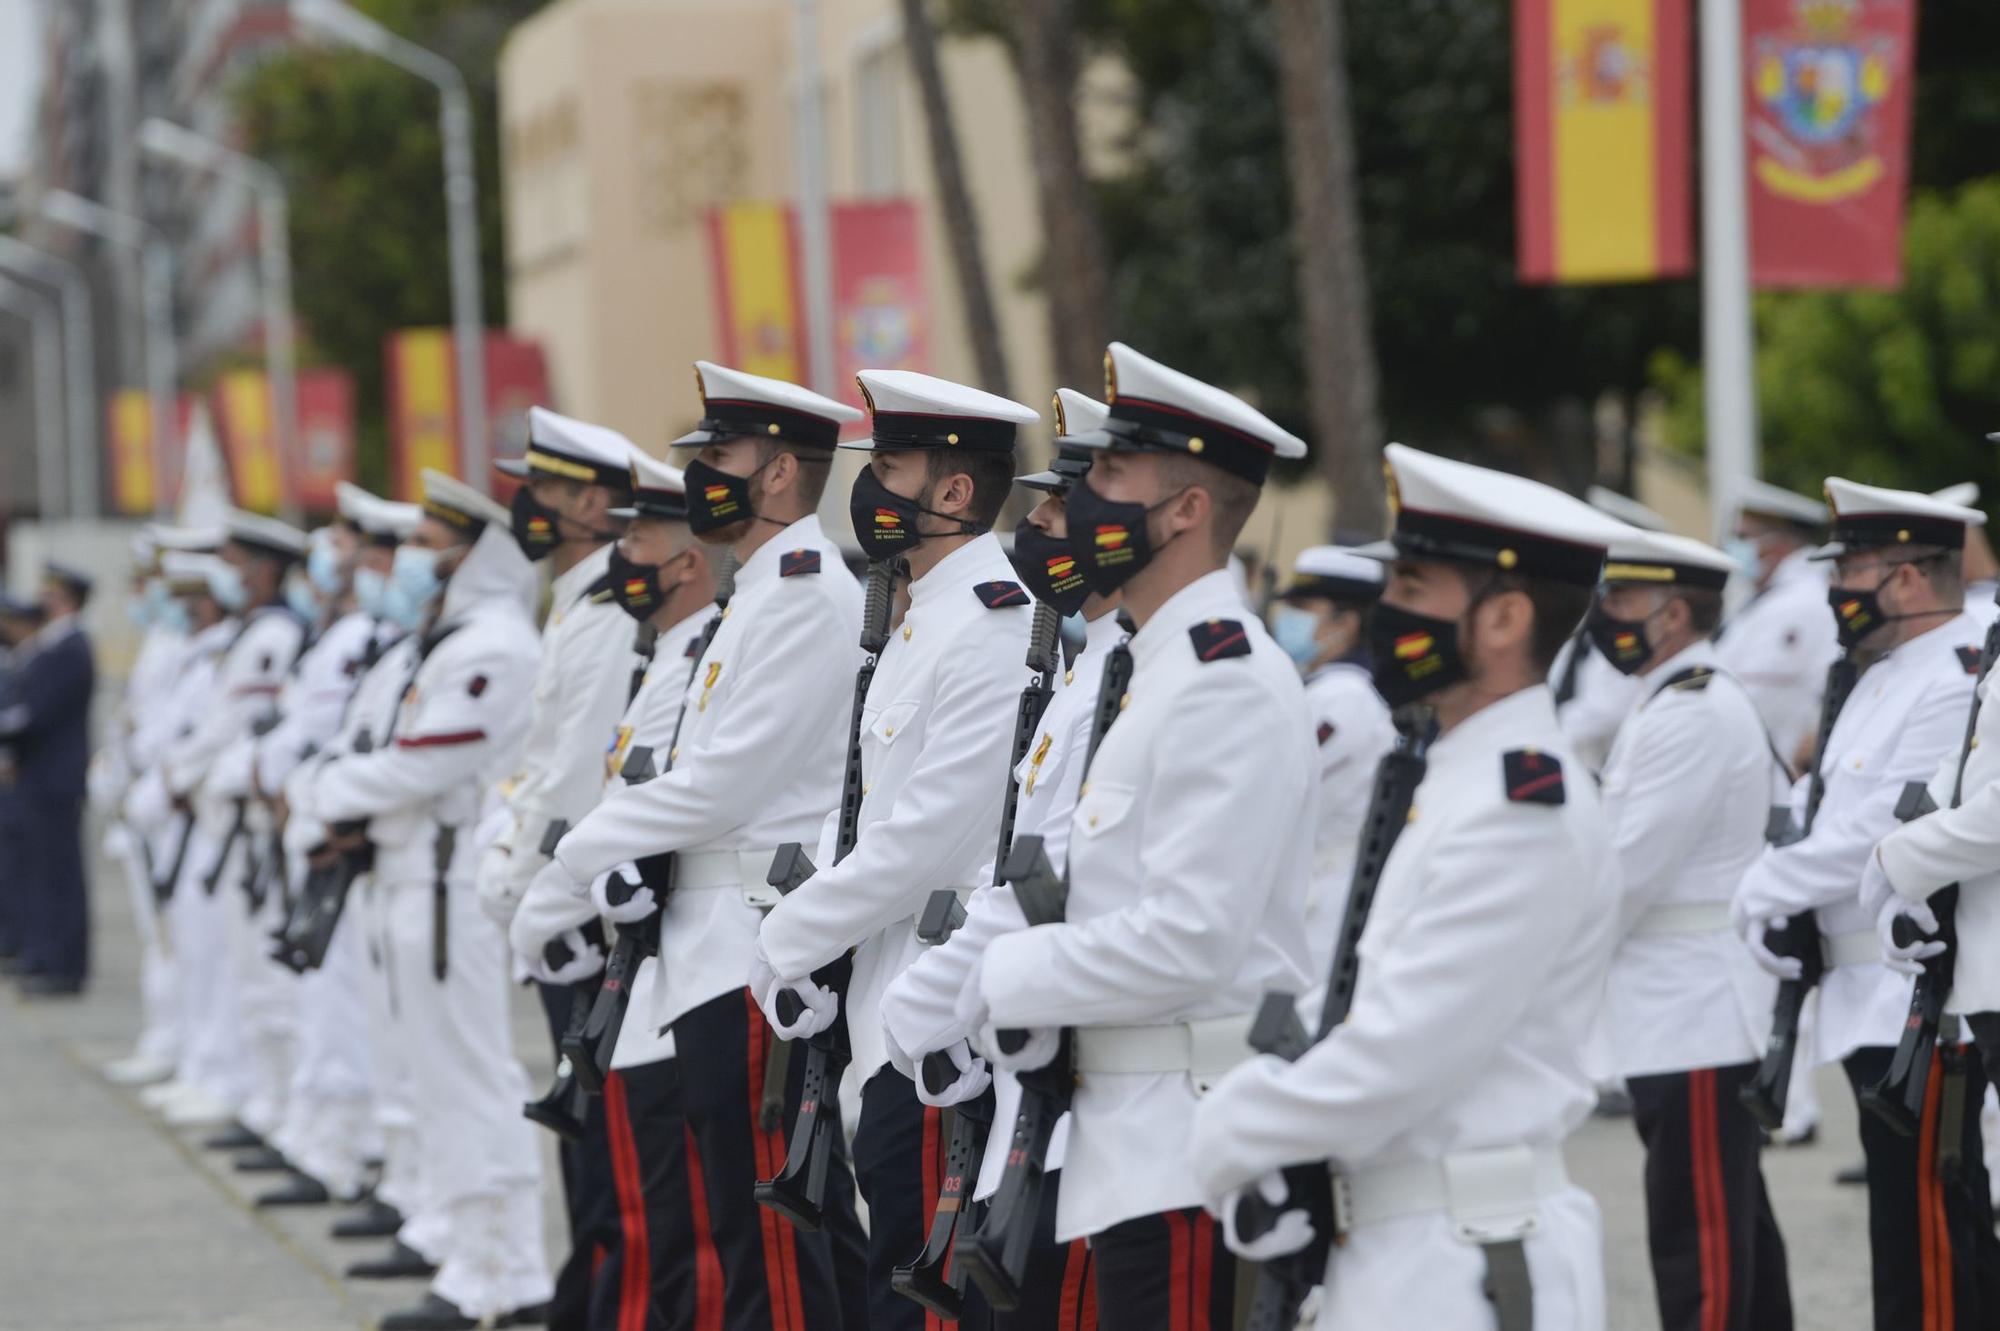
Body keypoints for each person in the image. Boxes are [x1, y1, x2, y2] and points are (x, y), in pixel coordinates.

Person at [1188, 442, 1625, 1329]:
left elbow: (1396, 1055)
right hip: (1410, 1248)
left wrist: (1221, 1133)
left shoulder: (1518, 806)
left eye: (1414, 589)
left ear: (1502, 620)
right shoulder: (1459, 776)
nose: (1387, 613)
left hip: (1470, 1258)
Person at [950, 344, 1314, 1325]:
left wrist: (997, 980)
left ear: (1186, 510)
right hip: (1119, 1146)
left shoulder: (1223, 680)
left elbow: (1189, 936)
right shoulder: (1146, 670)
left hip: (1186, 1149)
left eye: (1111, 475)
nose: (1085, 499)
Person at [525, 371, 876, 1329]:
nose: (699, 476)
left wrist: (576, 856)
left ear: (777, 474)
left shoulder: (802, 596)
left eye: (718, 458)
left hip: (751, 945)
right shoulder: (756, 594)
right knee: (771, 1226)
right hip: (713, 944)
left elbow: (726, 781)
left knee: (770, 1239)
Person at [751, 367, 1038, 1331]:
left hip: (937, 1013)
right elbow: (866, 819)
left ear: (955, 493)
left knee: (923, 1301)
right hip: (880, 1000)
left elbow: (926, 838)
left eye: (895, 465)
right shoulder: (919, 616)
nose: (869, 488)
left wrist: (787, 937)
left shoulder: (993, 625)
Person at [1732, 478, 2000, 1329]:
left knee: (1932, 1245)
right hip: (1866, 1000)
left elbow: (1880, 833)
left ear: (1909, 578)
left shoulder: (1957, 673)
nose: (1834, 590)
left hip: (1919, 1003)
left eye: (1851, 568)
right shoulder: (1885, 674)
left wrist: (1759, 889)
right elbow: (1823, 810)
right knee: (1908, 1235)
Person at [306, 470, 552, 1330]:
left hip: (450, 882)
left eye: (423, 540)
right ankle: (467, 1257)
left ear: (470, 554)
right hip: (413, 871)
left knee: (470, 1077)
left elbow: (421, 763)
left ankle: (504, 1272)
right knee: (436, 1077)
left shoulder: (495, 644)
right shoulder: (444, 639)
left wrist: (322, 793)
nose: (407, 556)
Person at [1586, 527, 1793, 1330]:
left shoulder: (1692, 710)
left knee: (1698, 1243)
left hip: (1694, 1010)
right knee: (1734, 1230)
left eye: (1622, 599)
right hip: (1680, 1005)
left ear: (1672, 613)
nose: (1605, 615)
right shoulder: (1673, 699)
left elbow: (1625, 872)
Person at [475, 407, 642, 1331]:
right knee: (584, 1130)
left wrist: (514, 885)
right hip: (555, 904)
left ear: (589, 500)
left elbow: (575, 776)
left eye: (540, 488)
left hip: (576, 908)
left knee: (601, 1135)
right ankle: (590, 1293)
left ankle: (602, 1301)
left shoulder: (610, 611)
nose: (523, 503)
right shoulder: (577, 599)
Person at [256, 484, 422, 1209]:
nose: (338, 560)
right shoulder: (358, 638)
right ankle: (339, 1145)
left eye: (356, 547)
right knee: (330, 1004)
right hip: (330, 834)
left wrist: (319, 803)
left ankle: (353, 1152)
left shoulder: (373, 640)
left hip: (370, 844)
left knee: (356, 1011)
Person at [1268, 544, 1396, 964]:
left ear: (1346, 622)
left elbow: (1275, 792)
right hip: (1301, 891)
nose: (1290, 619)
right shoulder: (1319, 690)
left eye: (1305, 607)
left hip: (1321, 901)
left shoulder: (1344, 700)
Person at [0, 561, 99, 996]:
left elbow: (34, 715)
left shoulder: (71, 647)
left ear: (67, 600)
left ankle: (62, 966)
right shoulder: (52, 647)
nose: (43, 603)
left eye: (50, 596)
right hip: (39, 778)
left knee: (58, 878)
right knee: (40, 876)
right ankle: (43, 957)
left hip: (54, 781)